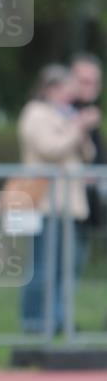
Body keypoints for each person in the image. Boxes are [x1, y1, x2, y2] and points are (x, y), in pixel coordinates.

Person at [17, 64, 99, 334]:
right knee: (42, 267)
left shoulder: (66, 115)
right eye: (66, 90)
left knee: (65, 268)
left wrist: (81, 128)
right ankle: (34, 322)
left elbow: (88, 154)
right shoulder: (35, 113)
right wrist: (76, 127)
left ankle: (58, 320)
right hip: (43, 203)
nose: (70, 96)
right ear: (50, 89)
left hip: (68, 205)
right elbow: (50, 148)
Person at [70, 53, 105, 271]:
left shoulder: (92, 113)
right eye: (84, 81)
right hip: (63, 205)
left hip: (86, 205)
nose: (89, 87)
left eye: (94, 81)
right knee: (56, 267)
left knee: (76, 264)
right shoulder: (60, 111)